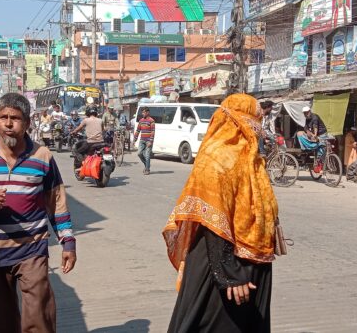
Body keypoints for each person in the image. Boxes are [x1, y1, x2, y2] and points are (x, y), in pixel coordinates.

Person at [0, 93, 77, 333]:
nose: (9, 124)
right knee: (0, 320)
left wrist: (68, 242)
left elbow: (56, 202)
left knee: (39, 317)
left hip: (33, 249)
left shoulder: (43, 157)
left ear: (27, 123)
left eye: (16, 118)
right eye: (4, 118)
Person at [164, 94, 277, 333]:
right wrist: (229, 274)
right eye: (253, 118)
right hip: (222, 261)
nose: (258, 126)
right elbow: (212, 218)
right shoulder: (216, 158)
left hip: (253, 260)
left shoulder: (251, 157)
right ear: (237, 119)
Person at [296, 106, 328, 171]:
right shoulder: (307, 118)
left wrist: (315, 135)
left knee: (320, 150)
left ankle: (313, 147)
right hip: (314, 135)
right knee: (299, 133)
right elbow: (305, 127)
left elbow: (315, 126)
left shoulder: (314, 117)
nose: (306, 114)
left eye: (307, 113)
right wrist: (308, 132)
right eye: (304, 113)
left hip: (321, 134)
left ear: (310, 111)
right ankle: (307, 147)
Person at [134, 107, 156, 175]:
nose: (142, 113)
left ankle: (147, 169)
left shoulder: (152, 121)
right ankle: (147, 165)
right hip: (142, 140)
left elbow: (153, 131)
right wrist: (135, 138)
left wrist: (150, 141)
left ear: (147, 112)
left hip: (148, 141)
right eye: (142, 112)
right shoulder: (141, 121)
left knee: (147, 155)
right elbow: (138, 130)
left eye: (144, 112)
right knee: (139, 153)